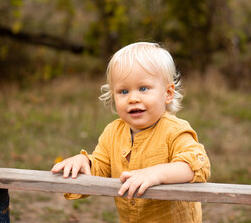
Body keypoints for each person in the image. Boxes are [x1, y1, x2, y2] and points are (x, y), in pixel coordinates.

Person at [51, 42, 210, 222]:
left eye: (143, 88)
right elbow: (101, 169)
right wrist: (84, 162)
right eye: (123, 91)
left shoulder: (174, 131)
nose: (133, 98)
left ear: (167, 93)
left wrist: (156, 174)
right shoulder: (112, 133)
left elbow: (197, 165)